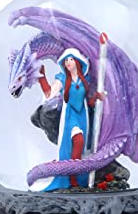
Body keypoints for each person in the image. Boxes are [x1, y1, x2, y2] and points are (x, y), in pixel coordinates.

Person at [35, 47, 104, 191]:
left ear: (77, 62)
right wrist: (42, 77)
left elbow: (89, 101)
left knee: (81, 145)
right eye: (66, 60)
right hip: (69, 116)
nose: (68, 62)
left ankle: (78, 176)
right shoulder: (62, 79)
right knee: (78, 141)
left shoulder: (85, 80)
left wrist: (97, 97)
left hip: (82, 116)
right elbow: (49, 93)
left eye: (71, 59)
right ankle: (72, 175)